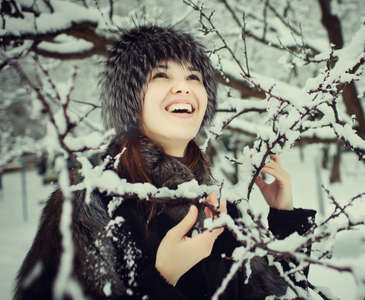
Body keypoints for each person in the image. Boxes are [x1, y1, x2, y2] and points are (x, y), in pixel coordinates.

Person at [14, 25, 316, 300]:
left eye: (193, 77)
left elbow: (280, 295)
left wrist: (284, 216)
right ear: (130, 103)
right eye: (161, 75)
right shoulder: (88, 205)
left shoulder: (219, 206)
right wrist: (162, 279)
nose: (183, 87)